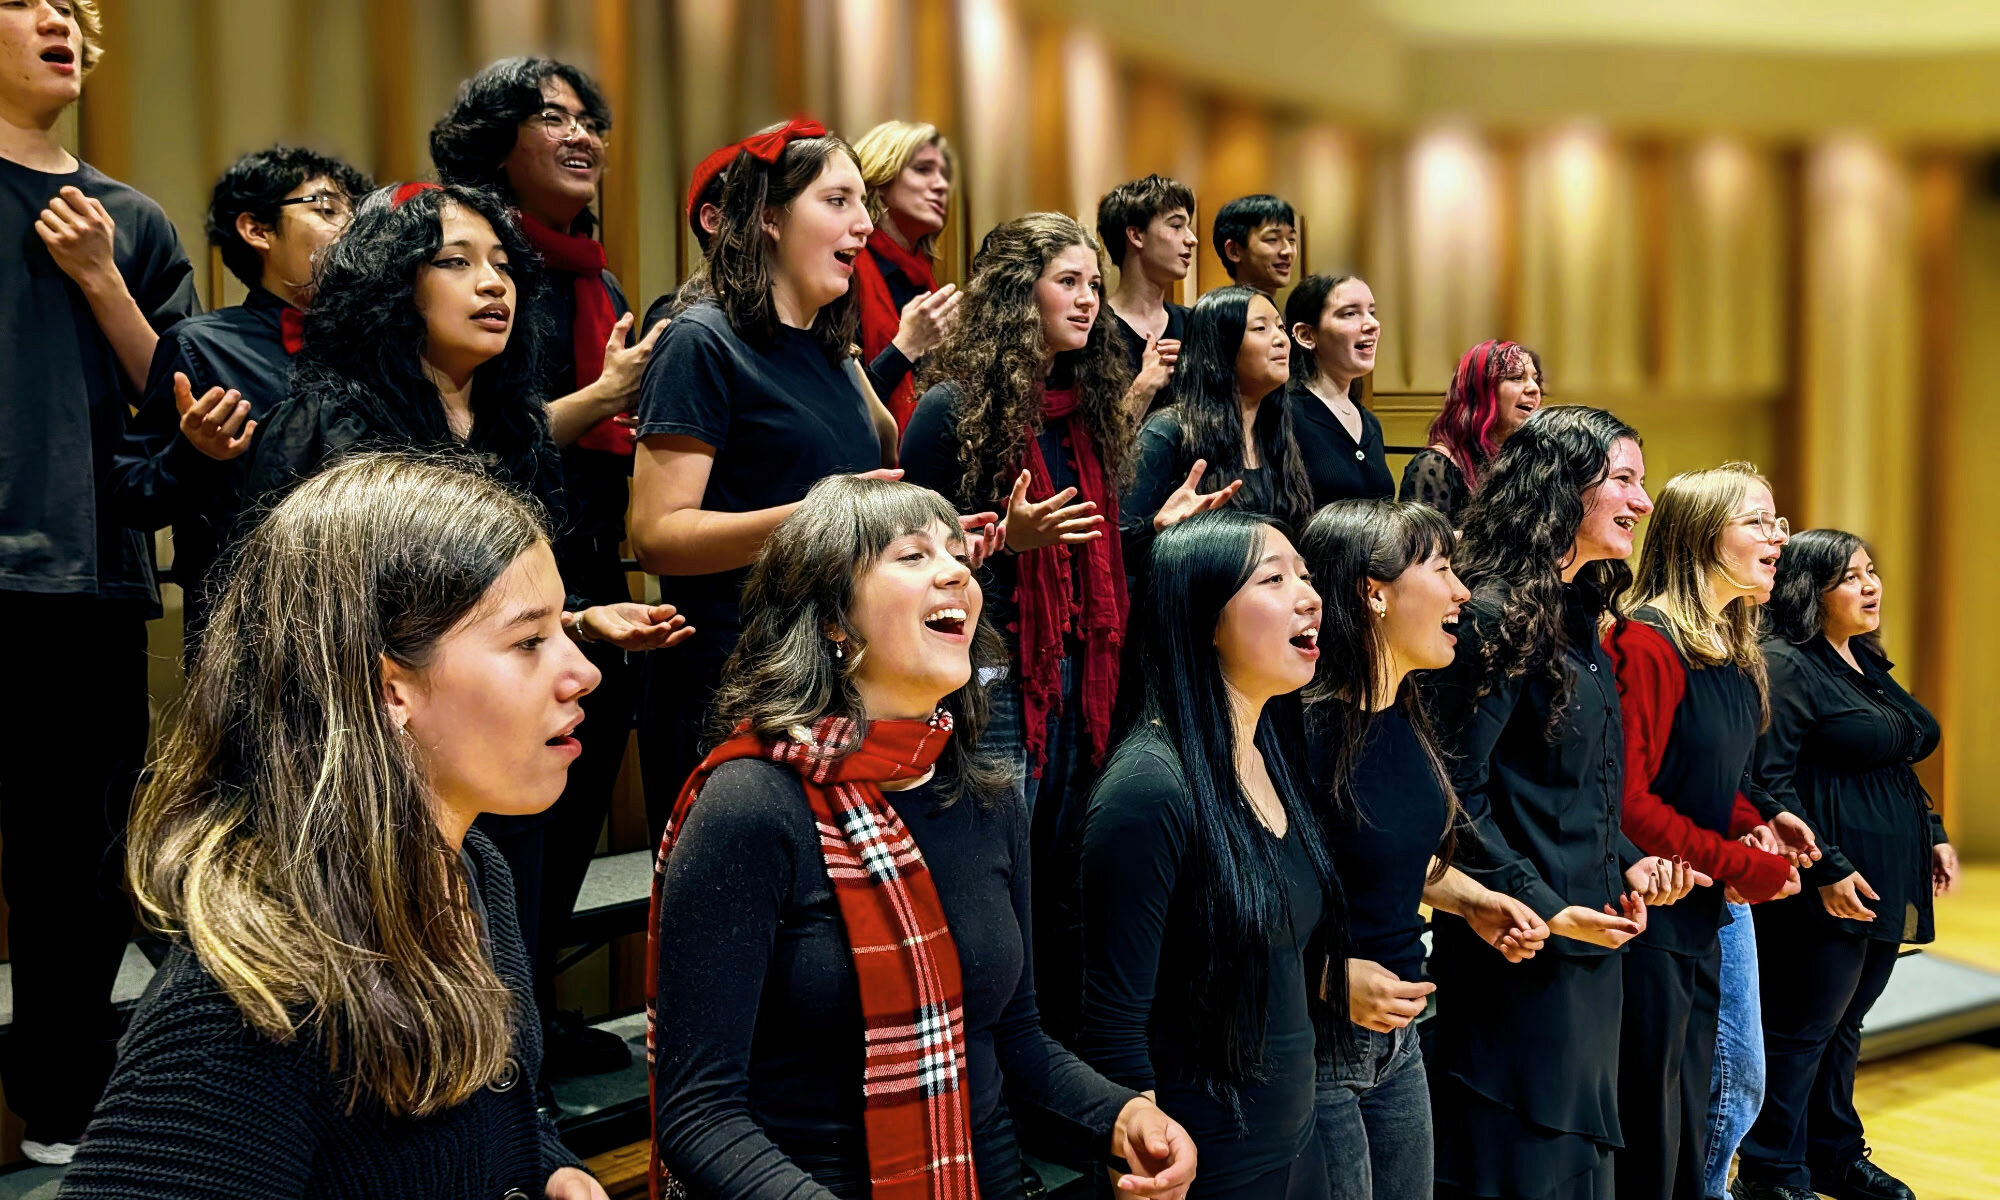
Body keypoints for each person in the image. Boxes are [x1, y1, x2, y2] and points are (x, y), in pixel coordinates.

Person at [55, 453, 609, 1200]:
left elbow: (456, 1121)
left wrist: (547, 1166)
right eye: (529, 640)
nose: (584, 672)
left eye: (566, 628)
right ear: (390, 689)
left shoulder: (471, 869)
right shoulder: (254, 996)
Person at [648, 474, 1196, 1200]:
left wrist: (1122, 1115)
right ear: (833, 619)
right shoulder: (750, 804)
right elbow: (699, 1114)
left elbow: (1015, 1038)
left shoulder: (988, 795)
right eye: (911, 556)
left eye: (959, 557)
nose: (955, 573)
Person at [240, 182, 690, 1042]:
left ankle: (520, 1066)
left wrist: (586, 620)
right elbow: (299, 625)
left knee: (512, 915)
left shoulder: (513, 423)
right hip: (382, 756)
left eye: (501, 265)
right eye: (455, 263)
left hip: (499, 727)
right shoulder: (324, 422)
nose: (494, 285)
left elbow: (511, 594)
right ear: (389, 283)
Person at [431, 54, 671, 1083]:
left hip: (587, 555)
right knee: (498, 824)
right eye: (552, 119)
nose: (581, 137)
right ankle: (488, 1038)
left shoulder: (594, 270)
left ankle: (526, 1016)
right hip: (488, 572)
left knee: (564, 812)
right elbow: (484, 436)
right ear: (496, 138)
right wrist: (611, 391)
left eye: (590, 121)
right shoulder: (458, 258)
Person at [0, 0, 201, 1163]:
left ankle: (64, 1102)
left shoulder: (130, 218)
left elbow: (169, 394)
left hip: (84, 581)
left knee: (79, 863)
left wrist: (98, 278)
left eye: (69, 6)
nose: (55, 19)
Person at [1424, 405, 1697, 1200]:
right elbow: (1455, 796)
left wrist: (1633, 866)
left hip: (1586, 943)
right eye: (1623, 481)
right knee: (1525, 1165)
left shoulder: (1578, 614)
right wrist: (1543, 905)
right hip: (1517, 950)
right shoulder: (1492, 614)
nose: (1643, 503)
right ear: (1558, 489)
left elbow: (1583, 795)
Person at [630, 118, 919, 839]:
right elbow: (658, 536)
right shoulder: (701, 341)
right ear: (767, 216)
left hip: (831, 676)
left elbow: (874, 469)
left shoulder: (829, 351)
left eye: (865, 207)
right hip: (734, 683)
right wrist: (824, 517)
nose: (863, 226)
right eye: (839, 202)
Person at [1074, 510, 1337, 1199]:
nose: (1309, 595)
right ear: (1205, 618)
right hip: (1205, 1170)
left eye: (1305, 576)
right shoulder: (1149, 789)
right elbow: (1111, 1029)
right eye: (1275, 578)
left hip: (1296, 1147)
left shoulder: (1267, 749)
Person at [1296, 499, 1551, 1200]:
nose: (1463, 591)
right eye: (1440, 568)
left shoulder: (1406, 709)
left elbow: (1392, 858)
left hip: (1399, 1037)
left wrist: (1473, 900)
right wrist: (1324, 976)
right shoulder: (1302, 735)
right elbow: (1244, 901)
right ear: (1373, 593)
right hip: (1316, 1042)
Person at [1604, 464, 1811, 1200]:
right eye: (1758, 520)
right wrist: (1737, 864)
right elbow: (1629, 803)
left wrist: (1757, 826)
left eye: (1777, 521)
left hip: (1704, 894)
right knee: (1666, 1108)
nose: (1777, 537)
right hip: (1657, 906)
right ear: (1701, 536)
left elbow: (1712, 780)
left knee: (1723, 1088)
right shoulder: (1644, 642)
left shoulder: (1727, 643)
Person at [1732, 531, 1957, 1200]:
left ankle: (1833, 1153)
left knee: (1844, 1023)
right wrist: (1827, 869)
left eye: (1871, 572)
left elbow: (1897, 755)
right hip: (1829, 878)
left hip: (1888, 867)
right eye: (1851, 576)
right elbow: (1765, 781)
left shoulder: (1862, 658)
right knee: (1801, 1029)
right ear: (1809, 591)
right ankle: (1770, 1171)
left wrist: (1935, 831)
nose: (1871, 585)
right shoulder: (1786, 663)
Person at [114, 145, 370, 652]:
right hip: (247, 629)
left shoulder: (389, 347)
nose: (352, 227)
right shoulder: (202, 345)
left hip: (374, 617)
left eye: (357, 212)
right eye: (326, 208)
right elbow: (131, 493)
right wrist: (193, 452)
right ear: (258, 230)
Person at [1121, 285, 1310, 554]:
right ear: (1222, 346)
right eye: (1261, 328)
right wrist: (1158, 528)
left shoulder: (1276, 432)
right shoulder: (1168, 431)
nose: (1281, 340)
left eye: (1280, 328)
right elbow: (1116, 539)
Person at [851, 119, 963, 429]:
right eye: (923, 169)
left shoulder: (921, 278)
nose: (941, 185)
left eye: (942, 174)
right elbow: (844, 410)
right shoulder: (844, 270)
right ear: (879, 179)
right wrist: (908, 346)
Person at [1399, 339, 1542, 526]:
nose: (1534, 389)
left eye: (1536, 379)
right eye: (1516, 377)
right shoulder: (1434, 467)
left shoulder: (1528, 461)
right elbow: (1423, 550)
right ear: (1479, 391)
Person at [1284, 274, 1393, 507]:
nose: (1372, 324)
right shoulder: (1285, 412)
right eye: (1350, 313)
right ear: (1306, 335)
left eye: (1371, 312)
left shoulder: (1371, 423)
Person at [1097, 173, 1198, 415]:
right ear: (1136, 235)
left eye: (1188, 226)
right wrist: (1145, 385)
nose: (1192, 239)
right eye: (1176, 226)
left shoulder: (1195, 324)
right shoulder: (1094, 328)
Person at [1210, 193, 1296, 298]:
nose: (1288, 251)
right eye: (1272, 239)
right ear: (1234, 251)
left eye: (1291, 240)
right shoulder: (1220, 313)